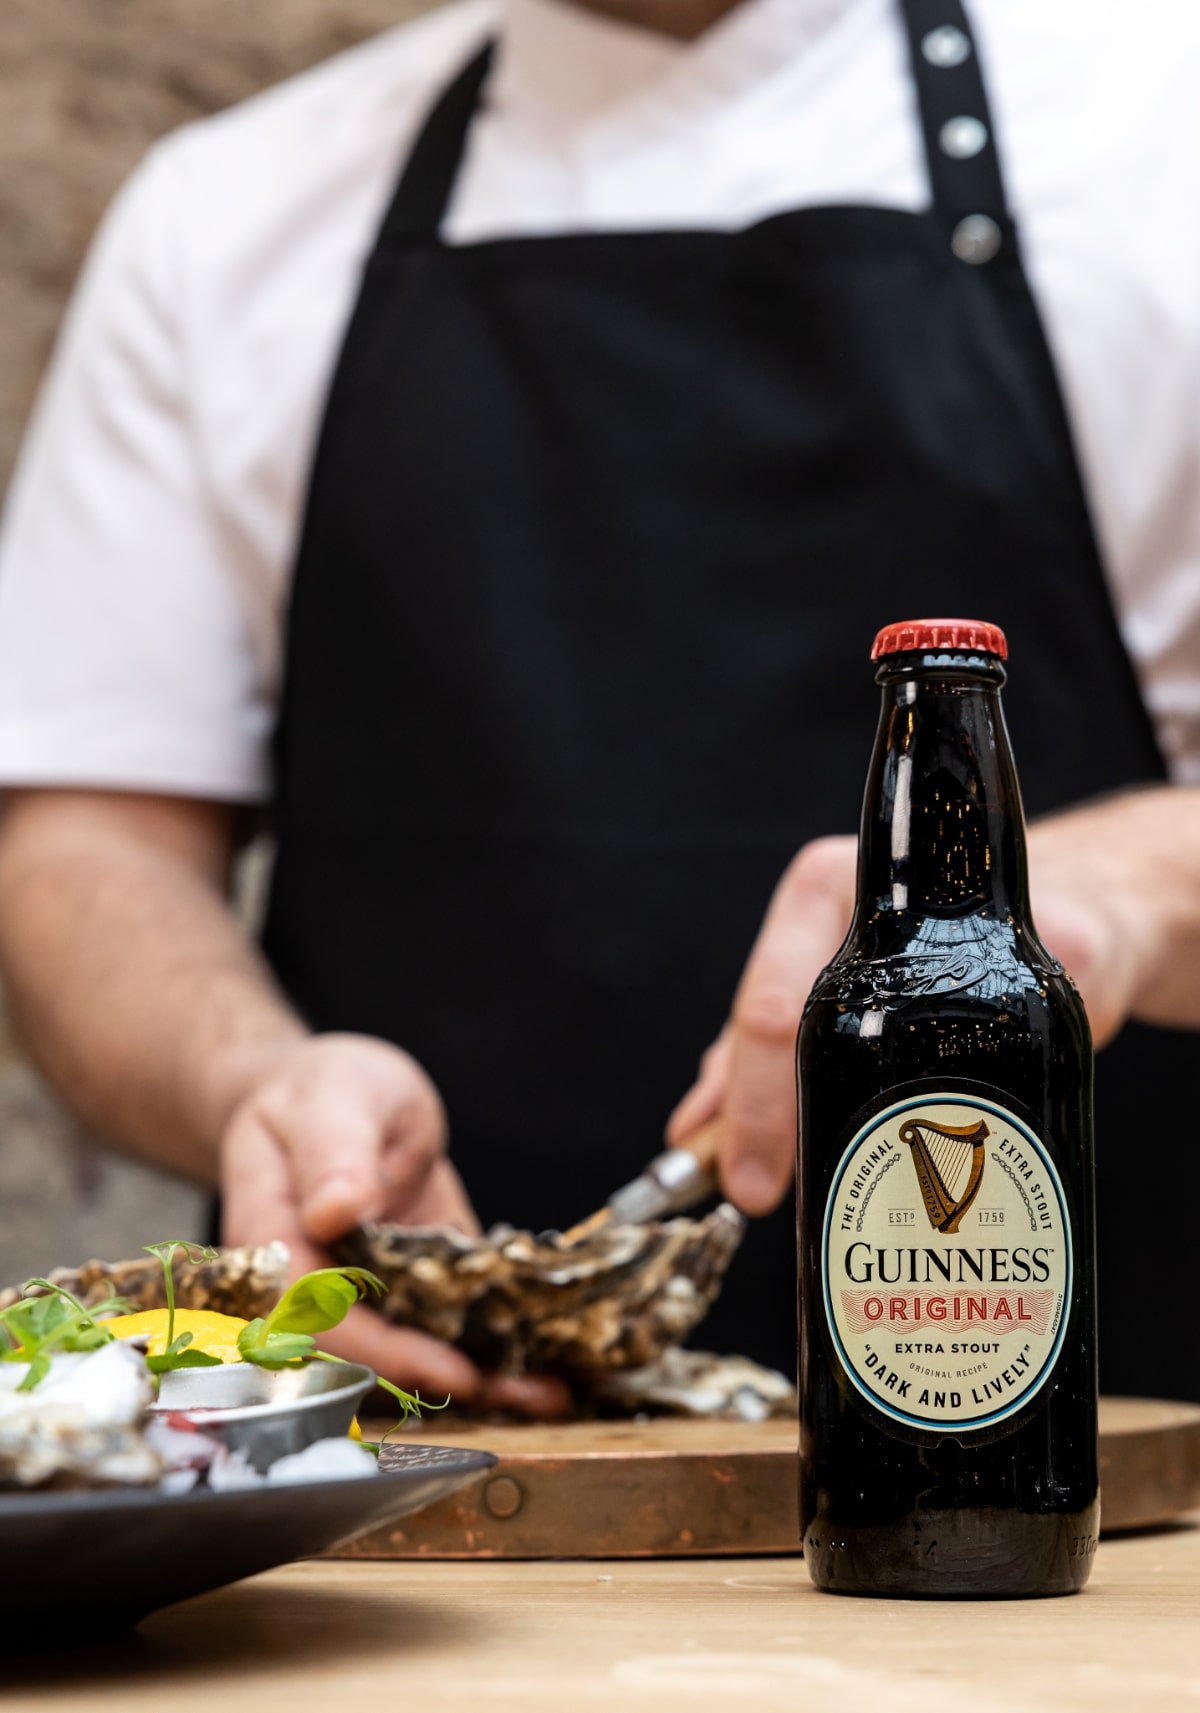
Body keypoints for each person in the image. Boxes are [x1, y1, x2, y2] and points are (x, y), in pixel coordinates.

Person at [0, 0, 1198, 1408]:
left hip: (1082, 1502)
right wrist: (250, 1078)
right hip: (403, 1519)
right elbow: (88, 843)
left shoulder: (1160, 129)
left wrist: (1116, 893)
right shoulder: (229, 214)